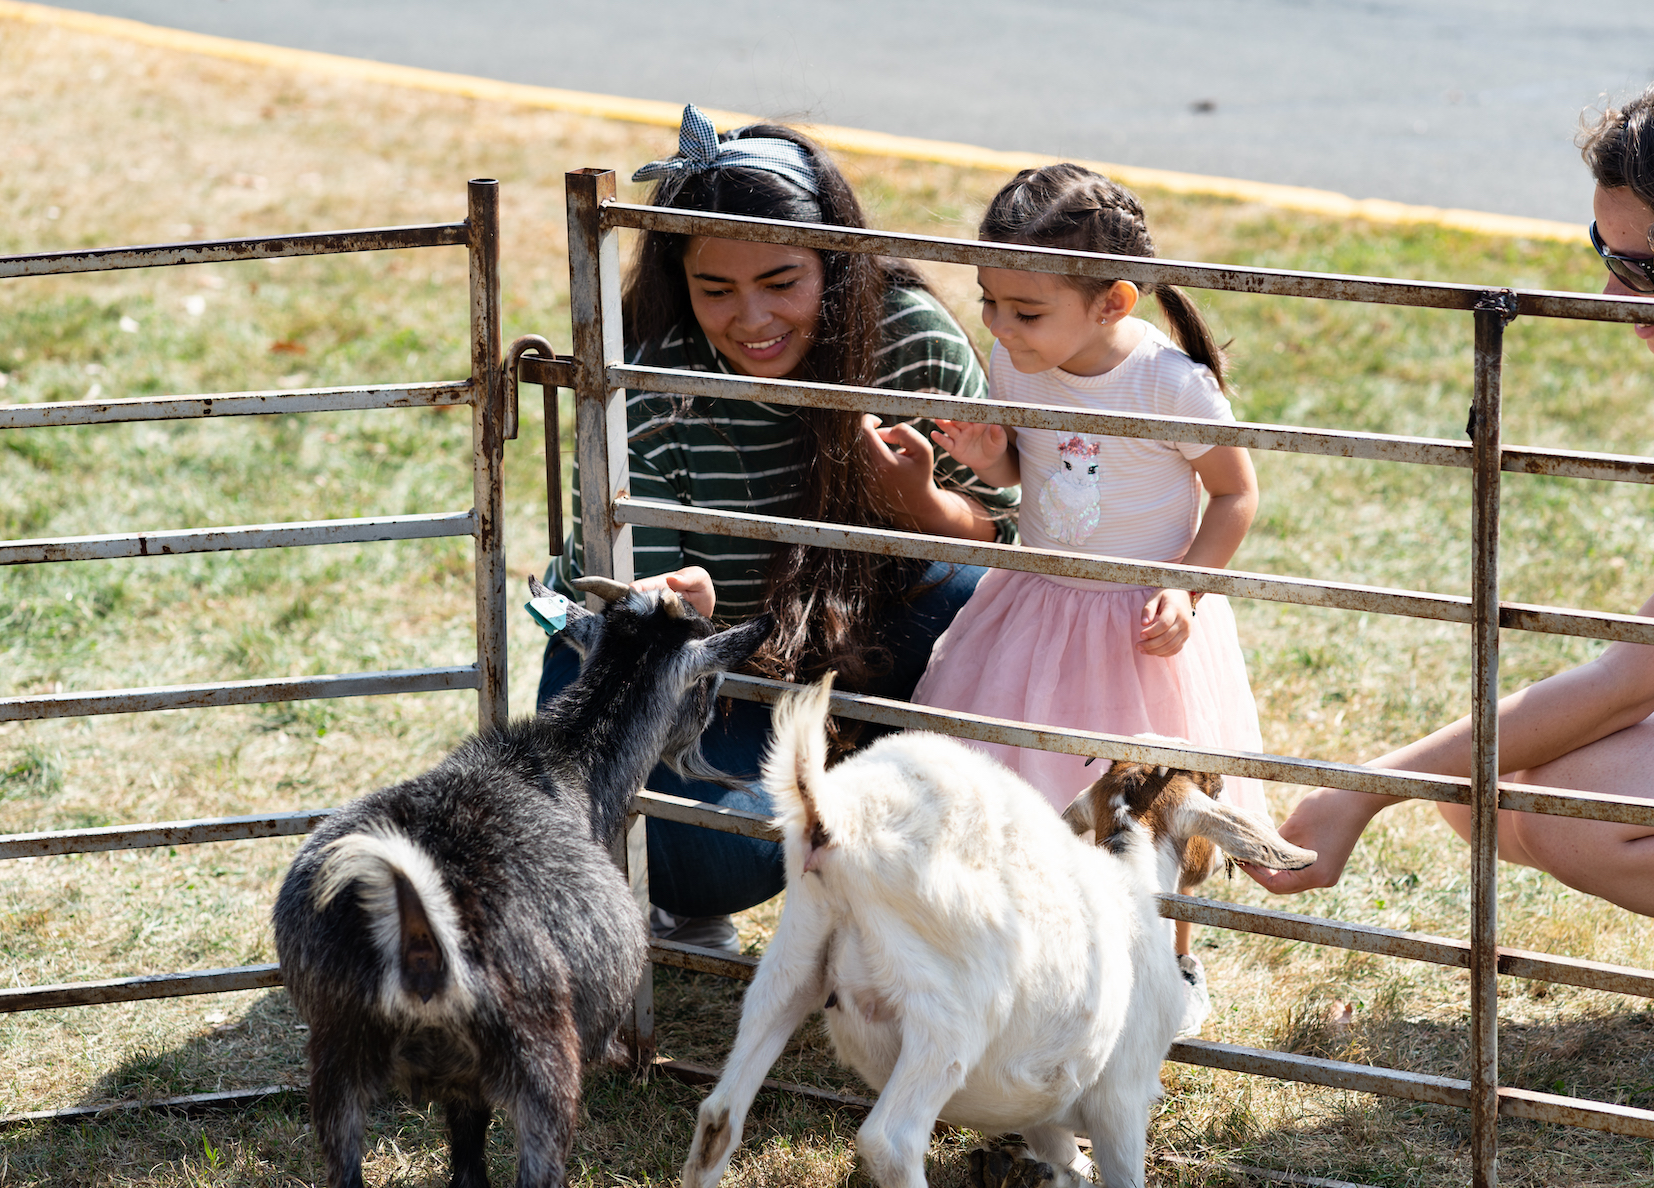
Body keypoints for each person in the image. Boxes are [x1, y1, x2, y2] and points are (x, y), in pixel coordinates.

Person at [1253, 74, 1654, 1087]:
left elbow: (1642, 671)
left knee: (1560, 799)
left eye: (1644, 268)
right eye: (1603, 253)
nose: (1610, 293)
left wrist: (1367, 790)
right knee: (1496, 795)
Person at [540, 105, 1018, 952]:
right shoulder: (646, 382)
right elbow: (626, 624)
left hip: (863, 658)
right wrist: (677, 605)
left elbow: (1016, 556)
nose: (752, 319)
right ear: (680, 280)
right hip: (716, 681)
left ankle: (919, 856)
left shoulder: (909, 342)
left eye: (782, 281)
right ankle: (683, 892)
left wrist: (920, 505)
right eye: (715, 289)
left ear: (832, 264)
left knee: (987, 602)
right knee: (714, 852)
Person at [911, 163, 1264, 1036]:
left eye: (1023, 310)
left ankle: (1173, 962)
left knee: (1154, 804)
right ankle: (1033, 957)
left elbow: (1235, 495)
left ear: (1112, 301)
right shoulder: (1014, 355)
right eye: (989, 300)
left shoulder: (1170, 386)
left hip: (1141, 626)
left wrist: (1187, 579)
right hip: (1037, 608)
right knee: (1018, 778)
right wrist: (989, 452)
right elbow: (1032, 476)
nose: (996, 325)